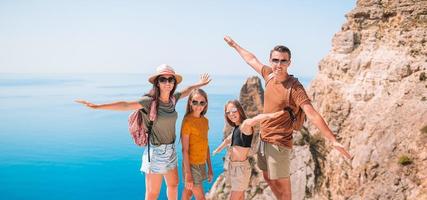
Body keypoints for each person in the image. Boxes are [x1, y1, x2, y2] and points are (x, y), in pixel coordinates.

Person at [224, 36, 351, 200]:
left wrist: (332, 140)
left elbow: (311, 113)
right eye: (275, 60)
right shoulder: (269, 75)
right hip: (264, 139)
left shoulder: (295, 88)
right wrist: (234, 45)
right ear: (270, 61)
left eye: (283, 61)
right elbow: (251, 59)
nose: (278, 65)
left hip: (279, 143)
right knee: (268, 177)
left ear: (289, 63)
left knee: (285, 191)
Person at [75, 64, 211, 200]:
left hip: (170, 150)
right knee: (153, 193)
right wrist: (98, 106)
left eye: (171, 80)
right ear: (157, 83)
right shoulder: (149, 102)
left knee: (174, 185)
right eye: (163, 79)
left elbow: (186, 91)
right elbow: (126, 105)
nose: (167, 83)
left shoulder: (172, 99)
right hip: (156, 152)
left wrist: (199, 84)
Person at [212, 100, 286, 200]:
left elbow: (257, 118)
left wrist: (278, 114)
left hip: (240, 169)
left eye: (233, 110)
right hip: (234, 168)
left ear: (239, 110)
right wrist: (218, 149)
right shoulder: (236, 128)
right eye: (228, 112)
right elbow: (228, 139)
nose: (231, 114)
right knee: (240, 197)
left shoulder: (245, 125)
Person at [180, 89, 213, 200]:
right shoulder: (187, 122)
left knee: (188, 193)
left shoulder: (205, 121)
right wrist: (188, 173)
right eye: (195, 102)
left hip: (201, 164)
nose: (198, 105)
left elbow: (206, 145)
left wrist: (210, 168)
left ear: (206, 104)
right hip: (191, 165)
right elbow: (185, 150)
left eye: (202, 102)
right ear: (190, 102)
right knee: (201, 198)